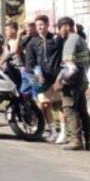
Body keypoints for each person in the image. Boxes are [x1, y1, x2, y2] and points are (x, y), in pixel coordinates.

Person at [53, 17, 90, 151]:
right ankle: (87, 140)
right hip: (82, 80)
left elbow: (70, 66)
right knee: (82, 110)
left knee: (69, 109)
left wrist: (60, 80)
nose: (59, 33)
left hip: (72, 82)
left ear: (66, 26)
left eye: (59, 29)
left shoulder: (70, 41)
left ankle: (76, 140)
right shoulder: (80, 39)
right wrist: (84, 71)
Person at [24, 15, 64, 143]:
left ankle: (63, 133)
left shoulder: (56, 40)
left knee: (60, 105)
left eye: (42, 24)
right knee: (44, 105)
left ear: (48, 25)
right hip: (40, 78)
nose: (40, 27)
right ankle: (52, 130)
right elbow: (30, 61)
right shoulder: (32, 42)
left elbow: (63, 56)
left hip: (56, 78)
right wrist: (36, 72)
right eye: (37, 25)